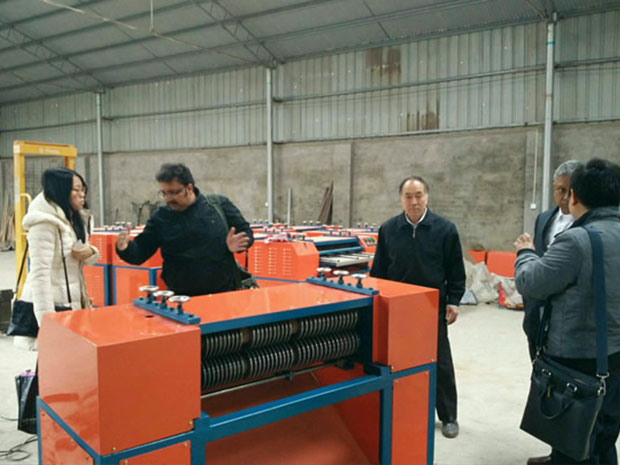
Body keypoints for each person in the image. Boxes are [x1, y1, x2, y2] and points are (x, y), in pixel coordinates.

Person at [514, 158, 620, 465]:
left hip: (576, 358)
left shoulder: (577, 240)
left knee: (572, 443)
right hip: (614, 355)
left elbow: (531, 282)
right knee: (601, 436)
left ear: (574, 196)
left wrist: (525, 253)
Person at [370, 176, 466, 439]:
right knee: (399, 362)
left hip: (430, 308)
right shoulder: (389, 230)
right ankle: (403, 410)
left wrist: (454, 301)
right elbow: (379, 271)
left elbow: (455, 270)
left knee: (440, 362)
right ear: (401, 199)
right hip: (398, 309)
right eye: (408, 196)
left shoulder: (445, 230)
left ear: (427, 197)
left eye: (419, 195)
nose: (414, 202)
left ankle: (448, 416)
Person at [116, 163, 253, 296]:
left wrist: (240, 244)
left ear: (189, 188)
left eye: (173, 193)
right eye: (164, 193)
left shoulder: (218, 205)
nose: (168, 199)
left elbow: (246, 232)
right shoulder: (161, 218)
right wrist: (125, 248)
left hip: (223, 293)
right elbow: (140, 252)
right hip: (181, 297)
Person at [15, 167, 99, 351]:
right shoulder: (44, 224)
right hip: (54, 307)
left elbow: (79, 259)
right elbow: (39, 275)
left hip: (73, 303)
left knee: (70, 358)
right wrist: (48, 324)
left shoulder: (75, 218)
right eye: (76, 190)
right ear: (60, 191)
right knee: (54, 359)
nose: (82, 194)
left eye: (83, 189)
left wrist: (91, 252)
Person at [523, 160, 582, 362]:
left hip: (567, 314)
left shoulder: (587, 225)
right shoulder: (544, 218)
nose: (565, 198)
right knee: (536, 361)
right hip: (537, 309)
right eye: (560, 190)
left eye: (570, 191)